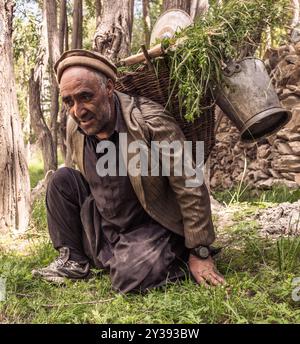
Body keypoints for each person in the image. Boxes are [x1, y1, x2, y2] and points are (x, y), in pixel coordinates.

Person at [32, 49, 225, 293]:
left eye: (85, 97)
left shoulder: (150, 121)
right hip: (107, 221)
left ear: (110, 88)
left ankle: (166, 255)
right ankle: (75, 260)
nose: (78, 111)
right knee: (61, 179)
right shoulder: (75, 126)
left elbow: (189, 182)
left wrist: (200, 250)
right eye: (69, 101)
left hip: (152, 224)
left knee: (129, 278)